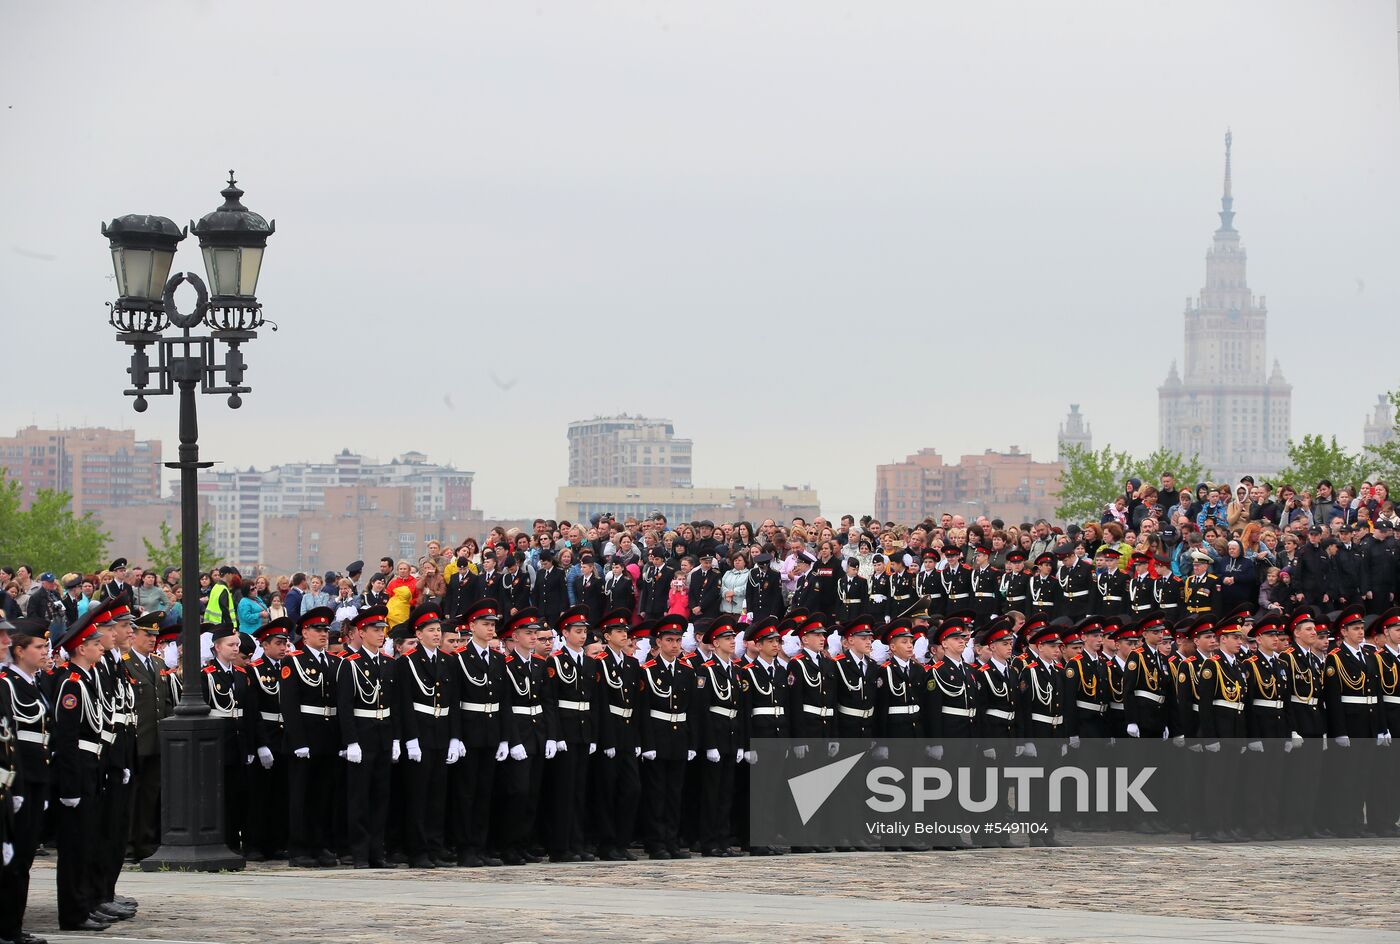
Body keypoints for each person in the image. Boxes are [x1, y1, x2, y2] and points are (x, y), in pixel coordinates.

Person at [280, 606, 341, 868]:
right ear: (305, 632)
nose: (324, 634)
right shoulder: (293, 661)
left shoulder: (334, 662)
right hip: (305, 733)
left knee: (323, 795)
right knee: (301, 796)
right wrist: (299, 741)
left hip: (327, 734)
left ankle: (320, 845)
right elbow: (290, 705)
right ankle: (299, 848)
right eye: (318, 629)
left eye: (326, 630)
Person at [336, 605, 394, 869]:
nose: (381, 634)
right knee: (359, 797)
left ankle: (377, 851)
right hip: (362, 735)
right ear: (362, 632)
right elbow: (345, 706)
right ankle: (359, 852)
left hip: (383, 734)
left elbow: (395, 705)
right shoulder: (351, 665)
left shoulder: (388, 663)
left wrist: (395, 739)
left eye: (383, 629)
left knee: (381, 797)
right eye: (375, 630)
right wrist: (351, 741)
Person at [639, 614, 698, 859]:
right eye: (670, 640)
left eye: (678, 640)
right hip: (658, 734)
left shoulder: (686, 670)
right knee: (656, 793)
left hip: (679, 736)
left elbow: (692, 709)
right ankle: (656, 842)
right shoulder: (648, 670)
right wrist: (647, 743)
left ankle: (671, 841)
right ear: (659, 643)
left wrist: (692, 742)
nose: (675, 645)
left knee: (675, 792)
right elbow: (643, 710)